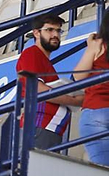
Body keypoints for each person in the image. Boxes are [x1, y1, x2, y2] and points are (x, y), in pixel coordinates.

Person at [16, 14, 80, 152]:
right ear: (36, 33)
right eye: (49, 30)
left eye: (58, 31)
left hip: (48, 129)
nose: (55, 35)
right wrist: (73, 100)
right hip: (39, 126)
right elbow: (37, 89)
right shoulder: (31, 54)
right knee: (35, 171)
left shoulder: (45, 62)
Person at [71, 24, 109, 166]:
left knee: (103, 173)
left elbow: (78, 77)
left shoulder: (98, 44)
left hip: (95, 109)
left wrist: (91, 47)